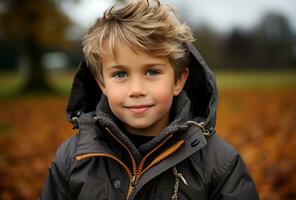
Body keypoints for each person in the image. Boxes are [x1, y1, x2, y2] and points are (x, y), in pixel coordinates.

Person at [40, 0, 259, 199]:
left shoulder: (219, 163)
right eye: (120, 74)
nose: (136, 90)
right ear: (102, 84)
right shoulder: (72, 160)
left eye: (152, 72)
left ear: (178, 81)